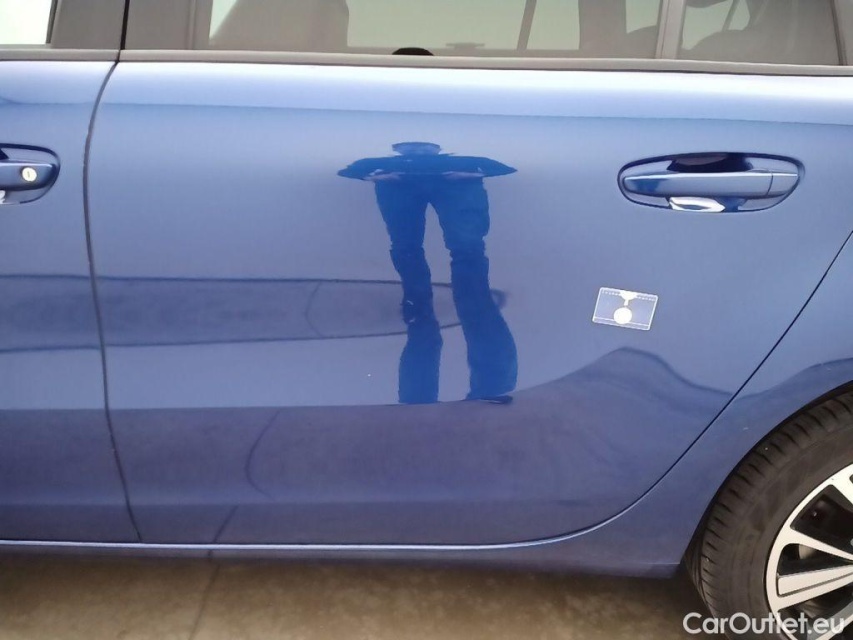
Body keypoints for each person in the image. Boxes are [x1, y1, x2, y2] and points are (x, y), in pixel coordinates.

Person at [339, 142, 518, 404]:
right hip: (420, 179)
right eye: (413, 147)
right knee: (431, 248)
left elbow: (350, 170)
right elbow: (350, 171)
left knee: (448, 248)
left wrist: (372, 175)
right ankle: (439, 304)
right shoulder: (463, 157)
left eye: (422, 147)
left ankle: (436, 305)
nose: (419, 151)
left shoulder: (385, 161)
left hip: (429, 179)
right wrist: (372, 175)